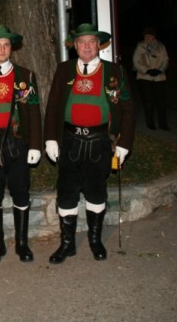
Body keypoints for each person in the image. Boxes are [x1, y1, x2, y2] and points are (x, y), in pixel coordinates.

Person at [44, 23, 135, 263]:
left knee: (96, 191)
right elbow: (53, 106)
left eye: (91, 42)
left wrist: (124, 143)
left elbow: (128, 109)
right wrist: (50, 139)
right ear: (75, 46)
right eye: (82, 42)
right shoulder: (64, 70)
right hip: (70, 141)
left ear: (99, 45)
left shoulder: (115, 71)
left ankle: (95, 241)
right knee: (67, 193)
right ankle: (67, 244)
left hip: (100, 142)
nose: (87, 46)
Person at [0, 25, 42, 265]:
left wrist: (35, 145)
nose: (2, 49)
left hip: (18, 143)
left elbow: (33, 112)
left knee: (21, 191)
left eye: (6, 45)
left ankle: (22, 244)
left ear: (11, 48)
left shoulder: (26, 75)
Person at [132, 27, 170, 130]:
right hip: (144, 77)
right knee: (148, 102)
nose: (147, 38)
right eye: (145, 36)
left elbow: (166, 60)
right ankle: (150, 123)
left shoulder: (161, 46)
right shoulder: (140, 46)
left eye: (149, 36)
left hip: (159, 77)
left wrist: (160, 70)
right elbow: (136, 61)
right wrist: (146, 70)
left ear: (154, 37)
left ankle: (163, 124)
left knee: (161, 102)